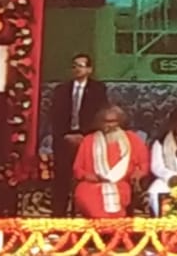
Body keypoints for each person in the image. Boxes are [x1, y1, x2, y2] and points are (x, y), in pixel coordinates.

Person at [48, 54, 109, 217]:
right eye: (74, 66)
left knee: (86, 177)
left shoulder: (98, 89)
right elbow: (55, 116)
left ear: (89, 69)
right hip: (65, 139)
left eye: (81, 66)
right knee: (61, 179)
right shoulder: (61, 90)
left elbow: (100, 115)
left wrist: (84, 136)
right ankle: (58, 217)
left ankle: (87, 213)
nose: (77, 69)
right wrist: (66, 135)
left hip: (87, 140)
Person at [72, 105, 149, 218]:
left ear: (120, 122)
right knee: (84, 195)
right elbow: (77, 168)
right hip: (92, 183)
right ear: (99, 123)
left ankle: (109, 225)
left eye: (114, 121)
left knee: (120, 193)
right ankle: (102, 224)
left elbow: (144, 164)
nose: (111, 125)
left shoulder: (132, 139)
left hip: (121, 183)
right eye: (106, 122)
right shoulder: (89, 140)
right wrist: (89, 176)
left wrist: (138, 174)